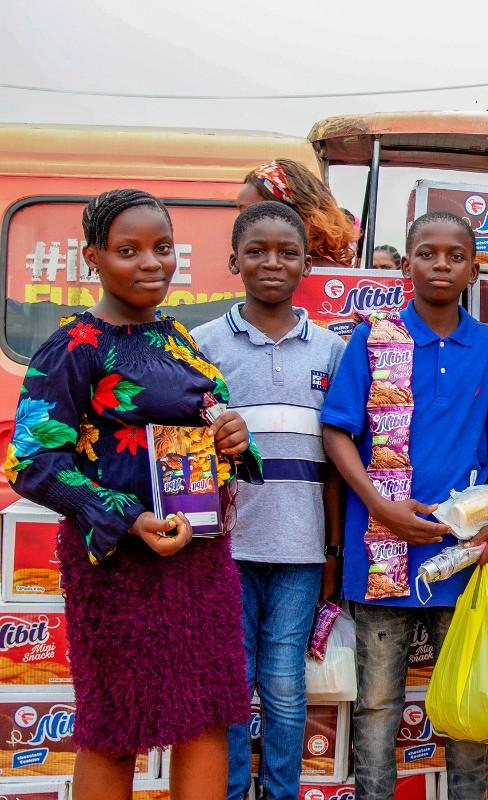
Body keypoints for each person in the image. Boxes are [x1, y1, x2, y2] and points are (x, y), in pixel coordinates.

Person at [4, 189, 260, 799]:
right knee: (116, 727)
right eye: (129, 250)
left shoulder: (176, 337)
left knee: (205, 716)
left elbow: (203, 427)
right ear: (93, 257)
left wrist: (234, 438)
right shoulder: (76, 347)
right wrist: (129, 515)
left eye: (163, 248)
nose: (152, 263)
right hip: (118, 567)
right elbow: (31, 461)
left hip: (198, 560)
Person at [320, 211, 488, 800]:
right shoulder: (374, 337)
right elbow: (337, 433)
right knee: (379, 703)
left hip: (462, 552)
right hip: (382, 548)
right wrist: (380, 508)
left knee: (467, 700)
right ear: (406, 264)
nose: (440, 264)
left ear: (473, 268)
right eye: (427, 254)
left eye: (454, 256)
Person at [191, 202, 346, 800]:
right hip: (225, 547)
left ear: (306, 263)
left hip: (301, 548)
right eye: (256, 251)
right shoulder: (202, 346)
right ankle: (228, 790)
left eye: (287, 252)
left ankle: (281, 792)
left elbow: (336, 464)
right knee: (232, 679)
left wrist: (332, 548)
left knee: (283, 683)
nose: (272, 263)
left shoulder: (331, 352)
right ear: (234, 261)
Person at [238, 160, 358, 267]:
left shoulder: (333, 281)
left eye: (252, 213)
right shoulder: (250, 271)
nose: (240, 224)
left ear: (294, 213)